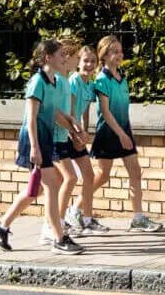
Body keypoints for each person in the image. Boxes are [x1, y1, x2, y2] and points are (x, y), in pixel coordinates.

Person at [0, 39, 85, 255]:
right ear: (48, 58)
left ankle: (1, 225)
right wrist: (34, 148)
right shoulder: (37, 82)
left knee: (37, 189)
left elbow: (53, 112)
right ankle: (58, 237)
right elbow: (30, 118)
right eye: (61, 55)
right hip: (33, 140)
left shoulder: (54, 82)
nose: (65, 58)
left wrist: (71, 123)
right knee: (51, 186)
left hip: (45, 139)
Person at [86, 35, 162, 232]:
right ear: (104, 55)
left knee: (135, 172)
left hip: (124, 131)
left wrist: (126, 132)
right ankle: (77, 209)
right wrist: (120, 134)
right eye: (114, 52)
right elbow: (105, 111)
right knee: (103, 176)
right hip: (109, 133)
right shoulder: (102, 79)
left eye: (120, 51)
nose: (119, 55)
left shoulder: (122, 77)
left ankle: (138, 218)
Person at [62, 45, 109, 236]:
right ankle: (58, 220)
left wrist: (86, 132)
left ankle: (86, 219)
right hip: (66, 135)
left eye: (92, 61)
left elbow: (85, 111)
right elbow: (71, 110)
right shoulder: (74, 81)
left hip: (78, 134)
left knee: (88, 176)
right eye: (85, 61)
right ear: (78, 63)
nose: (89, 65)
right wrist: (76, 134)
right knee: (66, 179)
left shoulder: (90, 84)